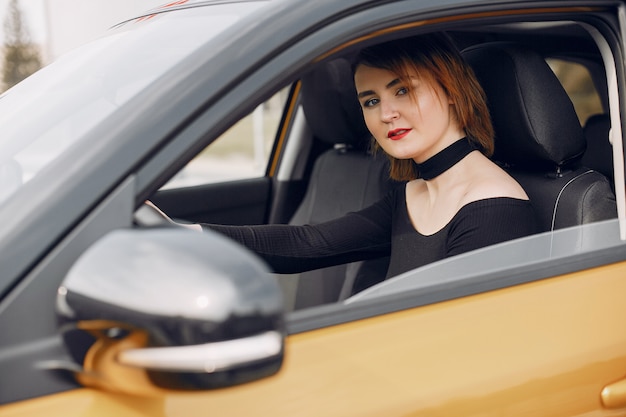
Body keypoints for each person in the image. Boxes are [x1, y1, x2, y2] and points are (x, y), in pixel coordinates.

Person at [150, 33, 540, 284]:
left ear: (451, 90)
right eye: (371, 101)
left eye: (402, 90)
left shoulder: (495, 208)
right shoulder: (412, 194)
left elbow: (460, 346)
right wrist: (187, 235)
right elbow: (309, 242)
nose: (386, 113)